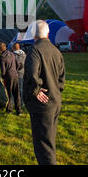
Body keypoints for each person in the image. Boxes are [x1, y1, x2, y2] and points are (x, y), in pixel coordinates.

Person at [24, 20, 65, 165]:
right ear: (48, 33)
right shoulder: (56, 51)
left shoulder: (35, 50)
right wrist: (54, 90)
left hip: (42, 104)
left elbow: (32, 74)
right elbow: (61, 79)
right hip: (55, 101)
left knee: (43, 144)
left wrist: (35, 91)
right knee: (50, 139)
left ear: (33, 34)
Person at [0, 42, 22, 115]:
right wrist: (15, 71)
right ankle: (19, 110)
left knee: (9, 93)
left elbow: (3, 70)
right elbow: (18, 64)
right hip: (15, 74)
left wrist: (3, 77)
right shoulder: (12, 54)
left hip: (8, 76)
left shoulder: (2, 57)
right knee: (16, 93)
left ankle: (9, 109)